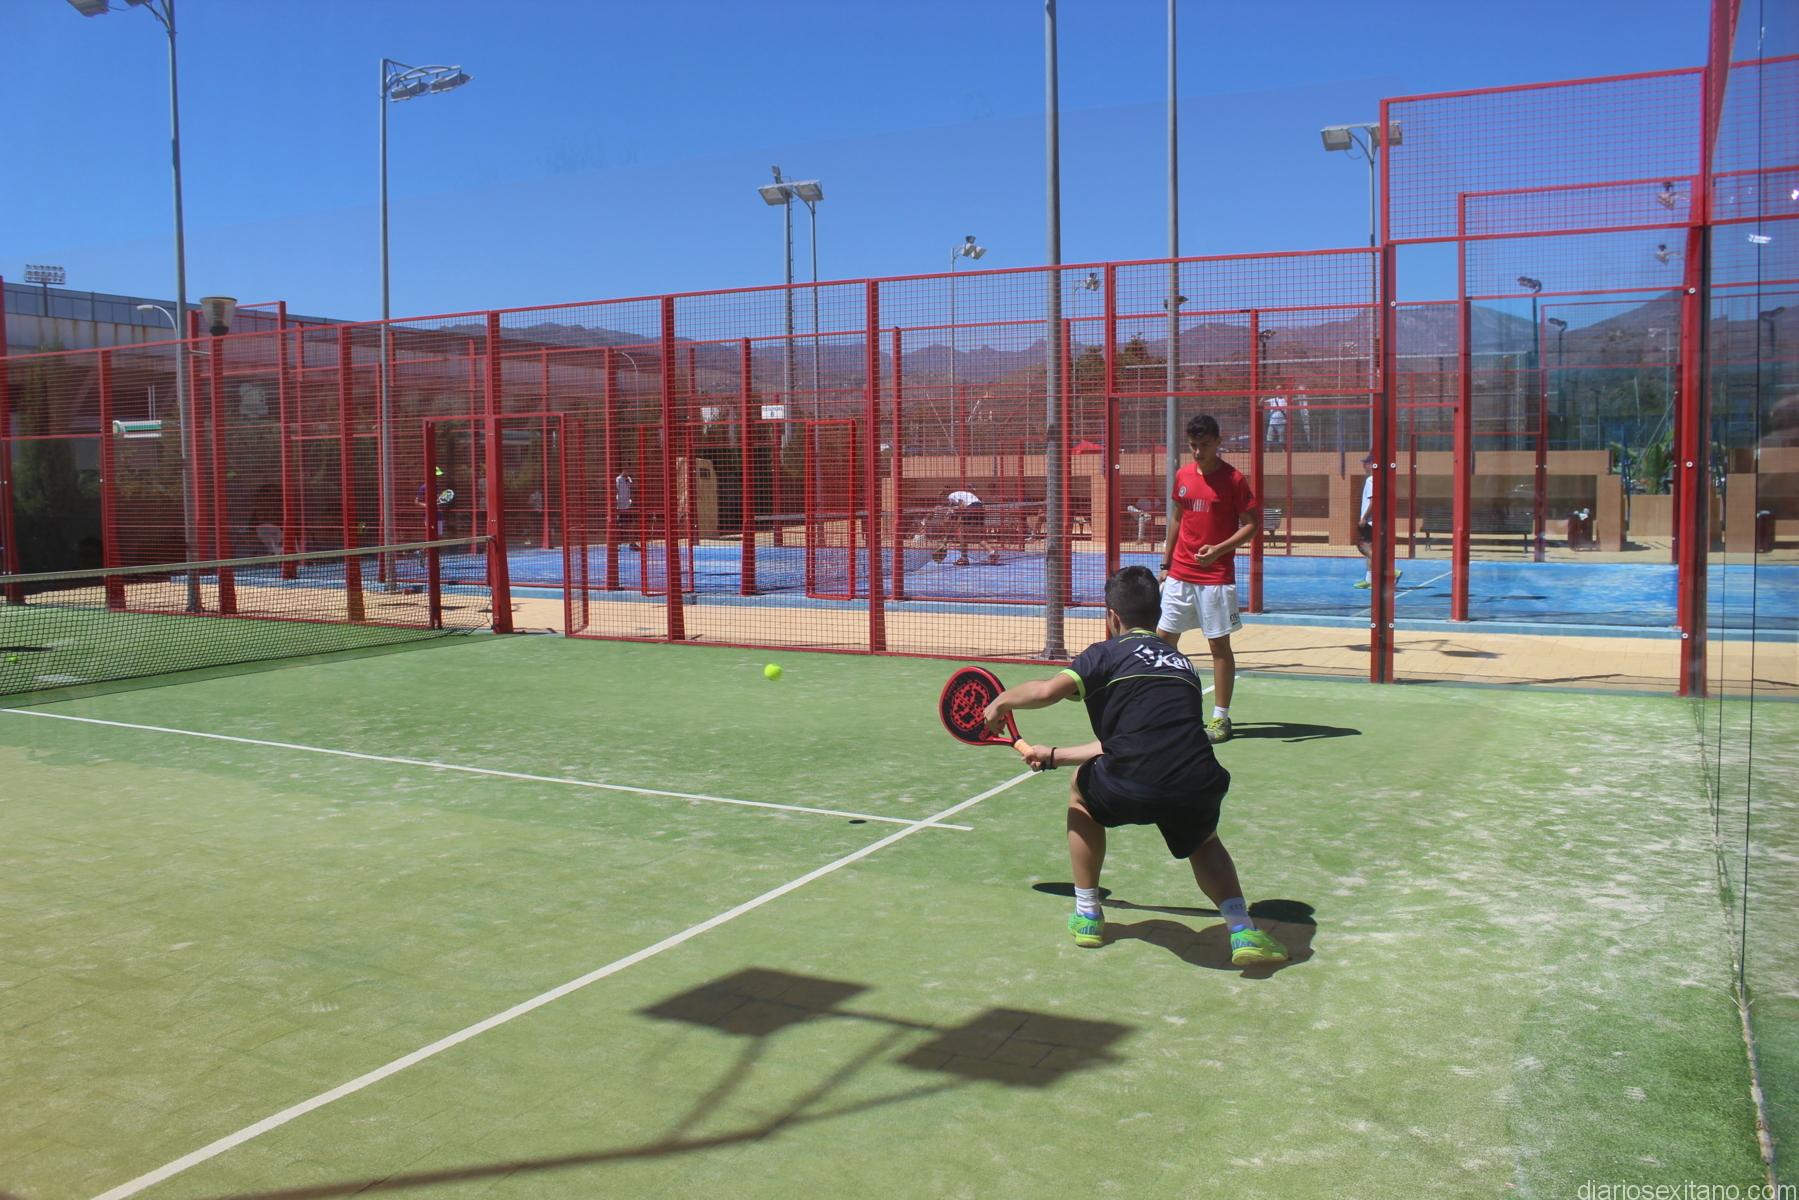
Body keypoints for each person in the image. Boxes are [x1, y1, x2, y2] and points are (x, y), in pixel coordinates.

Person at [981, 565, 1289, 964]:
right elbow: (1139, 741)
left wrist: (1000, 702)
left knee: (1080, 794)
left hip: (1131, 783)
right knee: (1204, 840)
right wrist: (1054, 754)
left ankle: (1088, 915)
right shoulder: (1183, 665)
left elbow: (1045, 692)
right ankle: (1242, 929)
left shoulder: (1103, 654)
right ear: (1158, 615)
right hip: (1196, 781)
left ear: (1111, 616)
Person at [1157, 414, 1256, 744]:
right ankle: (1164, 710)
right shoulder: (1183, 475)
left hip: (1215, 577)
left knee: (1218, 645)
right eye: (1193, 446)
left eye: (1204, 445)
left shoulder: (1233, 479)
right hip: (1180, 574)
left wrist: (1218, 550)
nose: (1198, 452)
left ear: (1218, 442)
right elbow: (1177, 518)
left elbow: (1252, 525)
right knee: (1163, 642)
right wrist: (1166, 562)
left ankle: (1220, 719)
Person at [1353, 454, 1401, 589]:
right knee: (1371, 549)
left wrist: (1364, 518)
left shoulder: (1371, 480)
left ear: (1372, 465)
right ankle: (1369, 580)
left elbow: (1373, 501)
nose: (1364, 466)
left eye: (1366, 463)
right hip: (1379, 521)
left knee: (1363, 546)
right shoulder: (1383, 479)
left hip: (1370, 522)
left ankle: (1391, 572)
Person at [943, 486, 1000, 566]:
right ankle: (992, 552)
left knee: (961, 533)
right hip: (980, 508)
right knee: (978, 536)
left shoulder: (951, 496)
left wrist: (957, 518)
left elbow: (962, 505)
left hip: (971, 508)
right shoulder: (962, 494)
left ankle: (964, 558)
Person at [614, 469, 638, 551]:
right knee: (618, 526)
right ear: (622, 471)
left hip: (627, 506)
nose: (627, 472)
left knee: (630, 525)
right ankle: (617, 545)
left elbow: (633, 489)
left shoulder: (629, 479)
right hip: (619, 507)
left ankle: (632, 544)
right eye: (625, 471)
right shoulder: (618, 480)